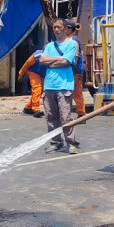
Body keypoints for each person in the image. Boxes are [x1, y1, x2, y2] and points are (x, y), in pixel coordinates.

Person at [40, 19, 80, 154]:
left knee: (65, 116)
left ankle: (71, 142)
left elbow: (65, 61)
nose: (56, 30)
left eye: (59, 27)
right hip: (49, 85)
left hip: (64, 85)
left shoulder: (71, 44)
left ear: (65, 29)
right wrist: (56, 60)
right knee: (51, 116)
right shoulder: (49, 46)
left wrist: (50, 62)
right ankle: (55, 142)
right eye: (54, 27)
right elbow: (41, 60)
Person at [63, 19, 88, 116]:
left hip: (75, 71)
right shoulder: (73, 39)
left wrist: (70, 65)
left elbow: (75, 55)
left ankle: (81, 113)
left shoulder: (73, 40)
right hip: (74, 70)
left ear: (69, 29)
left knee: (76, 92)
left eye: (64, 28)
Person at [18, 50, 46, 118]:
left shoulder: (54, 55)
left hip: (43, 74)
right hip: (33, 72)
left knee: (40, 91)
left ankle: (28, 108)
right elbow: (27, 64)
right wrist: (21, 74)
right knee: (37, 88)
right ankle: (36, 109)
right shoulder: (37, 55)